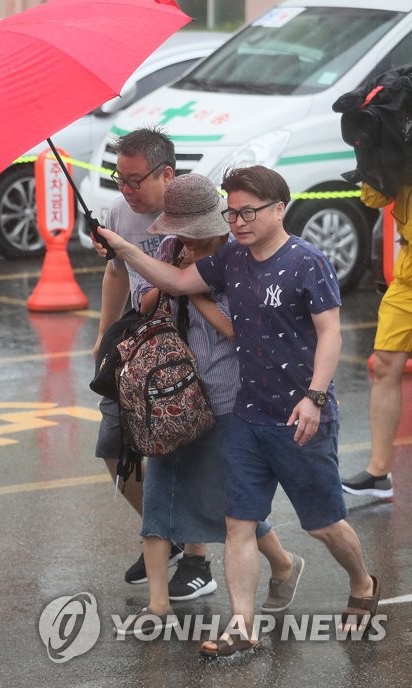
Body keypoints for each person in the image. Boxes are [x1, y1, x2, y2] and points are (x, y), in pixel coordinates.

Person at [97, 165, 379, 656]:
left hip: (299, 413)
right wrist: (125, 250)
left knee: (323, 525)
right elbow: (179, 281)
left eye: (248, 211)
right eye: (232, 212)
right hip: (247, 414)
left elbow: (331, 333)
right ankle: (242, 628)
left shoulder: (307, 262)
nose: (239, 221)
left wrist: (313, 397)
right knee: (238, 525)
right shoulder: (231, 257)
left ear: (278, 209)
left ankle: (362, 582)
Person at [115, 174, 300, 637]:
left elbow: (240, 329)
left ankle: (282, 562)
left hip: (224, 395)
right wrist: (165, 284)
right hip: (170, 394)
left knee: (228, 502)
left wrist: (190, 288)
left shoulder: (239, 258)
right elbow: (141, 299)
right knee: (158, 496)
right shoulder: (169, 251)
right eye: (181, 232)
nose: (187, 241)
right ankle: (158, 605)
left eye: (194, 232)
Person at [92, 126, 205, 594]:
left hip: (186, 351)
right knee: (115, 447)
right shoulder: (123, 211)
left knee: (185, 456)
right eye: (120, 178)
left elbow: (206, 277)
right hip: (137, 345)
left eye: (135, 180)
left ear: (167, 175)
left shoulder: (196, 210)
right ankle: (169, 535)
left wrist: (162, 283)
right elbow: (115, 272)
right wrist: (103, 332)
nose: (126, 190)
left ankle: (198, 563)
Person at [340, 184, 412, 500]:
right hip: (408, 272)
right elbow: (376, 198)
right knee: (384, 365)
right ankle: (379, 472)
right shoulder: (401, 140)